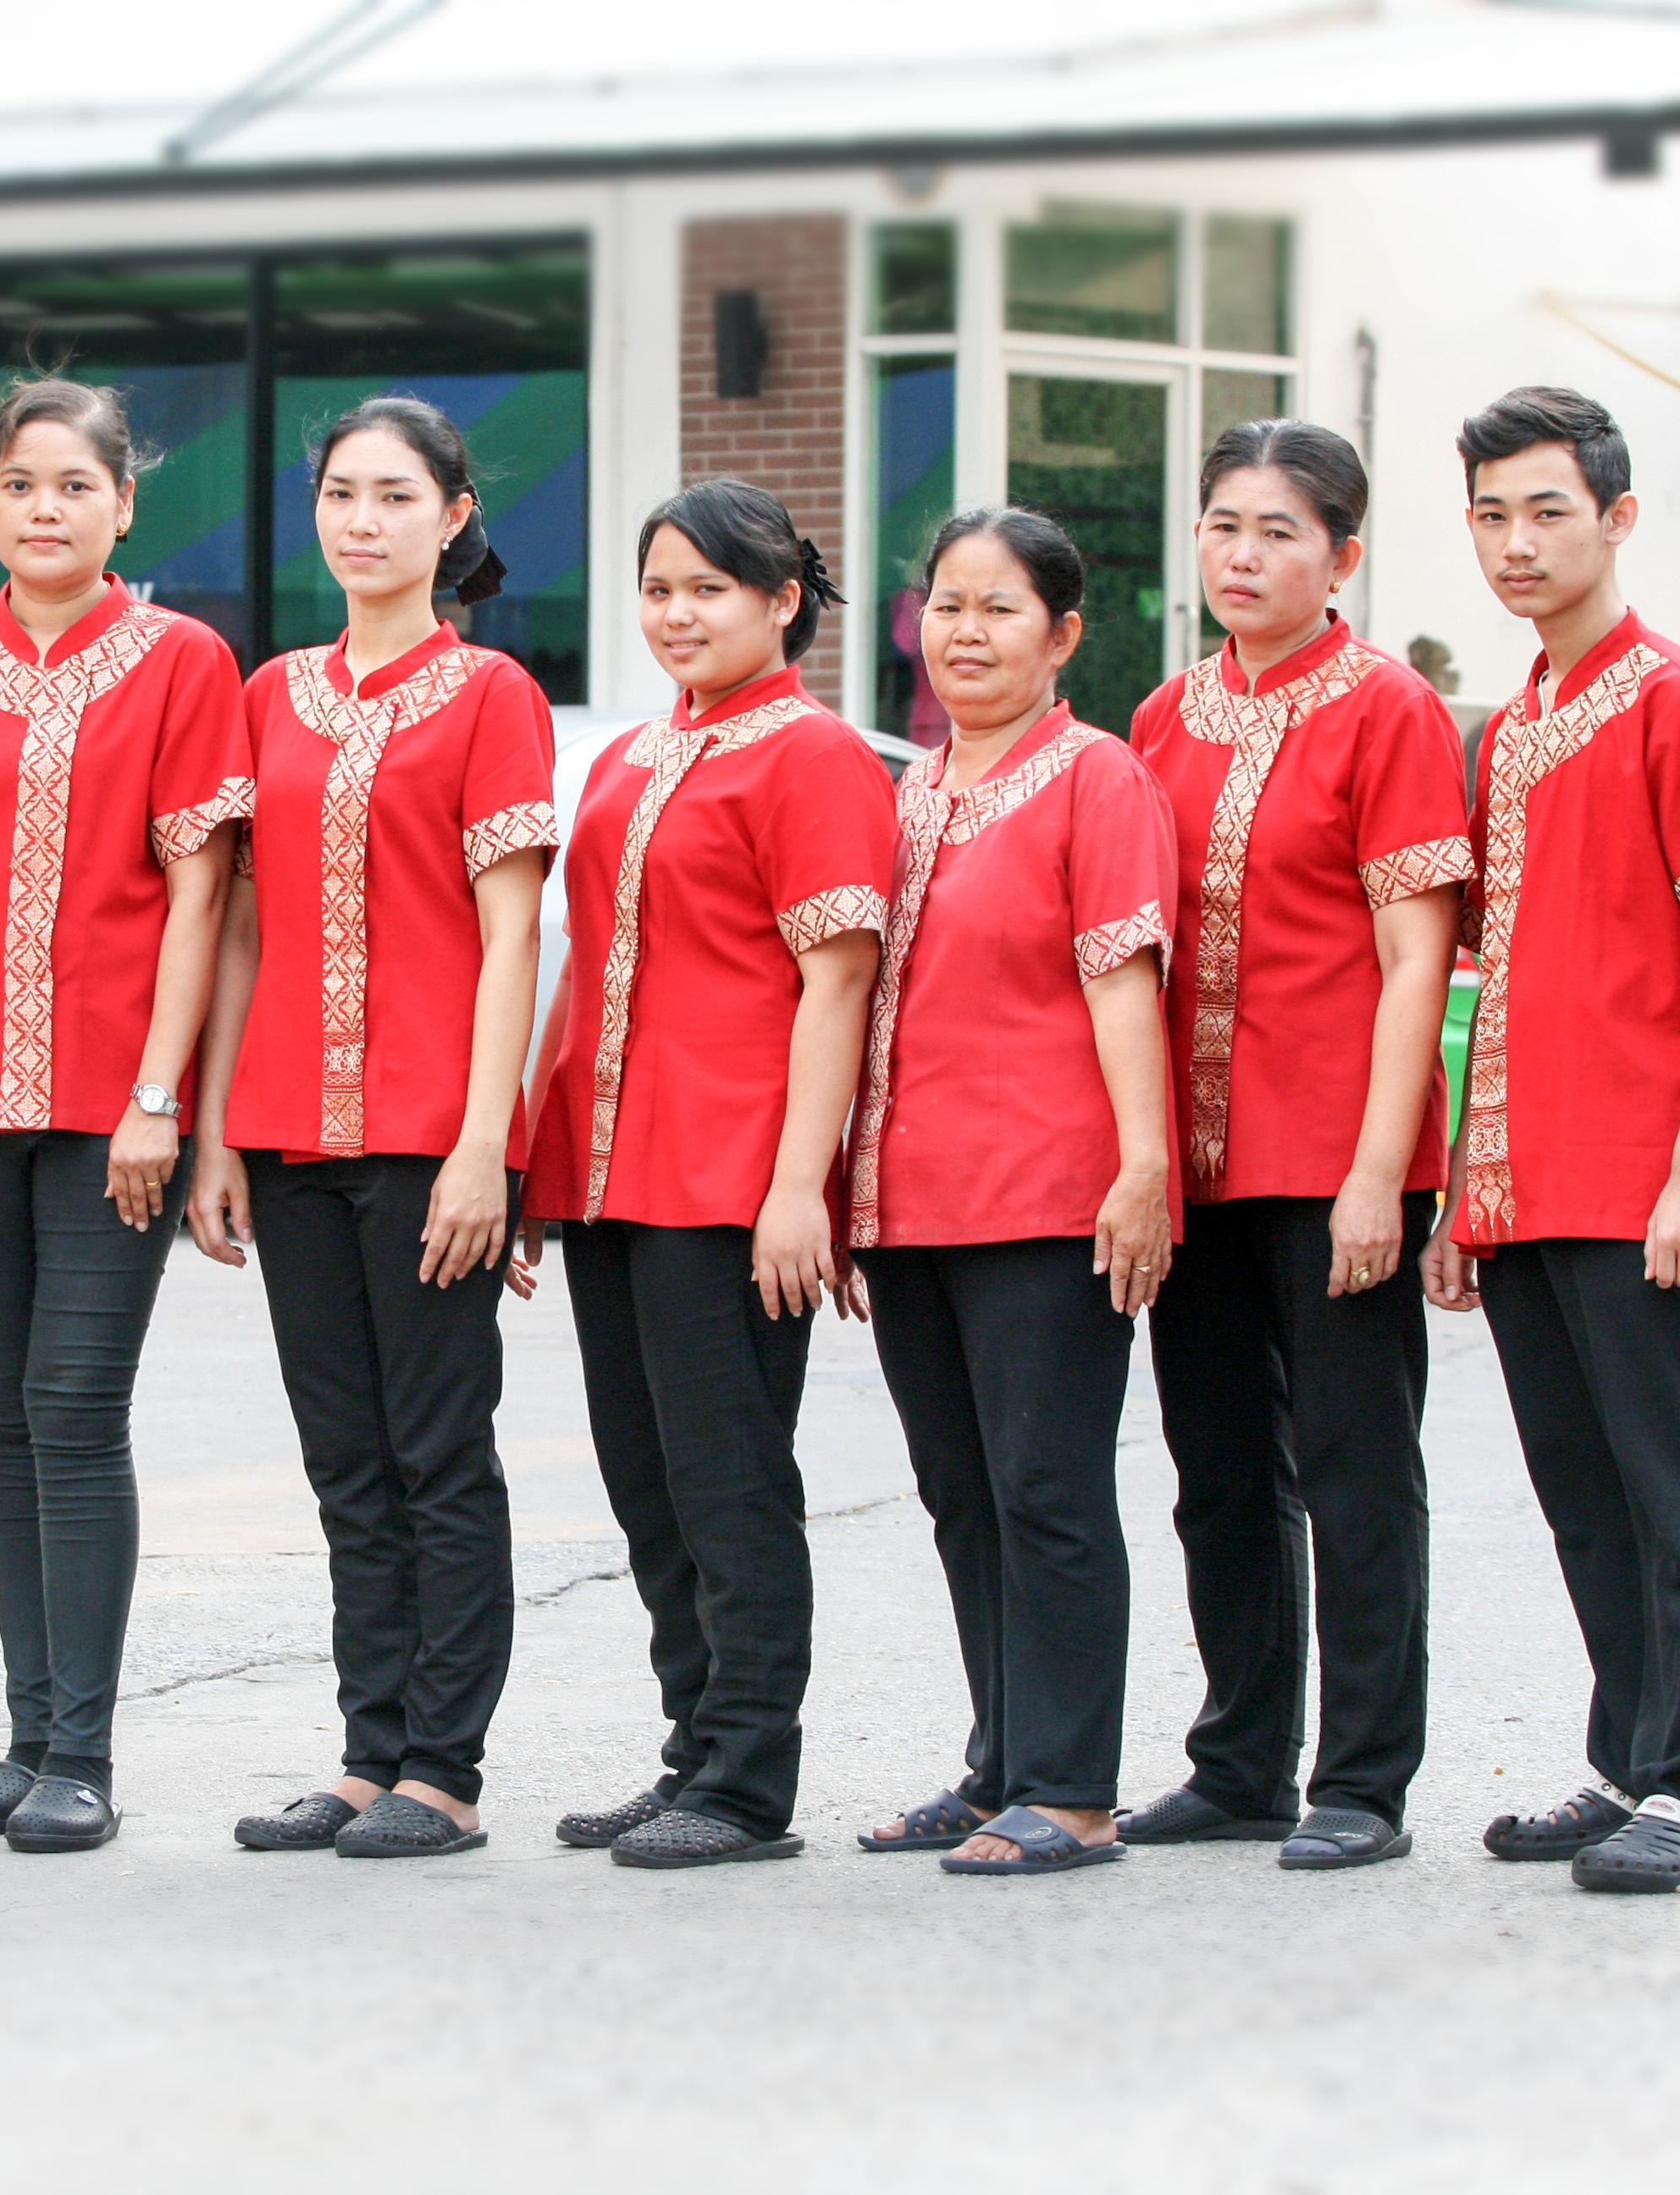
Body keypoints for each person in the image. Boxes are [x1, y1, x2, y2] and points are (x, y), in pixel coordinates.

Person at [1422, 386, 1680, 1895]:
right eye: (1492, 516)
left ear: (1617, 519)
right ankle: (1627, 1760)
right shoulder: (1516, 721)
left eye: (1547, 512)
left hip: (1646, 1170)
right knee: (1583, 1493)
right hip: (1527, 1176)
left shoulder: (1676, 697)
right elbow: (1511, 970)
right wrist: (1467, 1184)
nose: (1516, 544)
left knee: (1671, 1487)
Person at [0, 376, 249, 1855]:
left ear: (123, 506)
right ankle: (25, 1736)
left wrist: (160, 1096)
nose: (47, 509)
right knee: (6, 1417)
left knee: (76, 1406)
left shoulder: (182, 662)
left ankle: (83, 1754)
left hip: (110, 1103)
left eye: (75, 487)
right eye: (22, 485)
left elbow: (202, 892)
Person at [185, 395, 554, 1860]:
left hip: (425, 1135)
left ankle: (444, 1772)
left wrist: (487, 1145)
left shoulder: (493, 697)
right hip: (287, 1129)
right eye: (342, 494)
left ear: (453, 517)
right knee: (345, 1460)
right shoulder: (271, 693)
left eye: (397, 497)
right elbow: (243, 925)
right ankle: (367, 1752)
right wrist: (217, 1129)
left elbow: (514, 934)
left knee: (437, 1454)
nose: (364, 522)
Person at [515, 479, 893, 1870]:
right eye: (660, 589)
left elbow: (837, 981)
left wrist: (802, 1188)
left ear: (783, 600)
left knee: (730, 1483)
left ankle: (746, 1782)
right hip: (612, 1176)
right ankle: (692, 1753)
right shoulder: (625, 759)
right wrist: (535, 1168)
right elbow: (586, 977)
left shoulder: (814, 757)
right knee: (647, 1485)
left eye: (710, 591)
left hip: (730, 1181)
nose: (679, 615)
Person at [1119, 422, 1470, 1870]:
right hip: (1195, 1167)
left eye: (1277, 531)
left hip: (1338, 1159)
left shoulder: (1386, 710)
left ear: (1343, 552)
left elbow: (1415, 956)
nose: (1244, 556)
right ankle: (1242, 1757)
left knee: (1356, 1469)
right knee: (1218, 1472)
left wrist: (1380, 1174)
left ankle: (1365, 1778)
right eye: (1223, 526)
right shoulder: (1161, 719)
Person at [844, 509, 1178, 1879]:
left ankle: (1072, 1788)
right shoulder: (913, 789)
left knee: (1046, 1489)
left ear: (1065, 635)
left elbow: (1122, 981)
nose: (967, 633)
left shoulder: (1095, 779)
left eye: (1000, 609)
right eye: (948, 606)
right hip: (910, 1200)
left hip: (1046, 1198)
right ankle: (999, 1763)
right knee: (960, 1493)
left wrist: (1145, 1168)